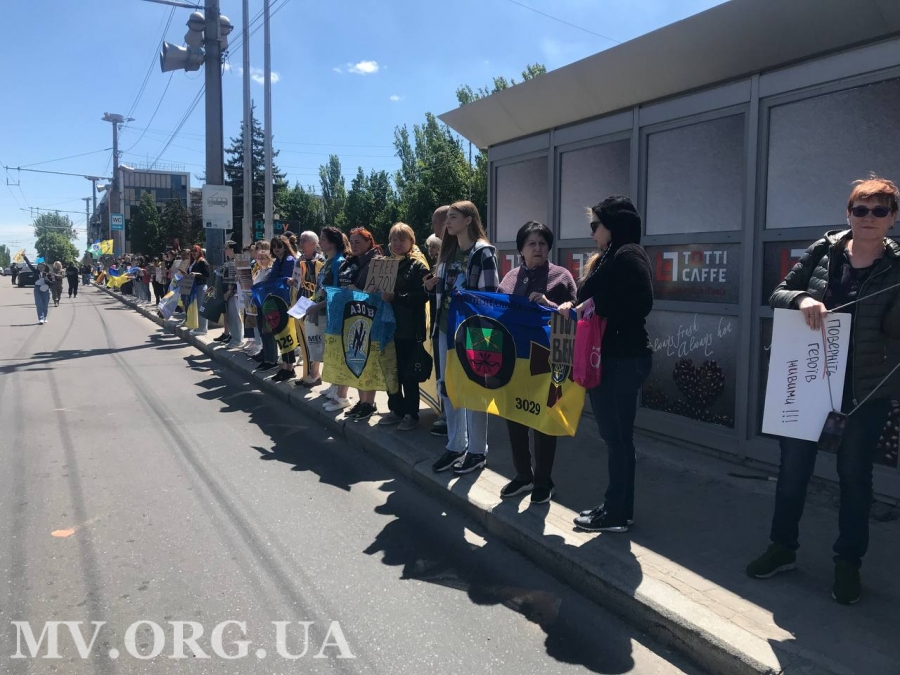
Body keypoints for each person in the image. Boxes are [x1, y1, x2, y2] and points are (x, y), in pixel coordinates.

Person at [746, 176, 900, 605]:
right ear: (848, 213)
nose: (868, 218)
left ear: (892, 217)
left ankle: (848, 564)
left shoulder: (898, 266)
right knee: (793, 471)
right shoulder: (824, 251)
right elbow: (779, 293)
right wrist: (802, 300)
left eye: (879, 210)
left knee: (855, 478)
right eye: (860, 210)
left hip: (864, 391)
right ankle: (782, 548)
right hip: (809, 382)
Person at [559, 196, 653, 533]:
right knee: (616, 438)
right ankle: (617, 507)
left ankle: (616, 513)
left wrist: (596, 304)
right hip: (613, 357)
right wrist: (579, 304)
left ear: (613, 225)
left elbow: (642, 301)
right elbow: (595, 296)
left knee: (618, 439)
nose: (592, 232)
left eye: (595, 225)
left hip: (622, 358)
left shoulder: (629, 254)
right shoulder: (614, 254)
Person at [498, 221, 577, 504]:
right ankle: (523, 475)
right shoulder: (509, 279)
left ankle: (544, 480)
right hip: (516, 358)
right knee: (515, 415)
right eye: (531, 243)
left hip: (548, 361)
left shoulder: (562, 277)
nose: (538, 248)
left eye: (542, 243)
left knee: (544, 419)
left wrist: (551, 306)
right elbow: (497, 313)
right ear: (521, 249)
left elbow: (575, 316)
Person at [426, 200, 499, 475]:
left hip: (474, 332)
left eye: (453, 217)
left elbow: (489, 297)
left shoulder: (483, 252)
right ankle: (456, 445)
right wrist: (430, 286)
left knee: (475, 390)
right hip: (446, 328)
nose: (447, 222)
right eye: (447, 218)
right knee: (449, 388)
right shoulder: (448, 251)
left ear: (469, 219)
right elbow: (441, 291)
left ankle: (477, 451)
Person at [378, 223, 430, 432]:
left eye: (402, 239)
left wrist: (396, 296)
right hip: (386, 328)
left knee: (408, 374)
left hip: (409, 328)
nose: (398, 243)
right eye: (394, 239)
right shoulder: (383, 264)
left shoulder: (418, 265)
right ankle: (396, 410)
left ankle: (411, 414)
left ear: (411, 242)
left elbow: (424, 295)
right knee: (391, 371)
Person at [338, 227, 382, 420]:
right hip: (354, 316)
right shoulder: (354, 261)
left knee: (368, 361)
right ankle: (362, 400)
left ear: (369, 242)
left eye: (358, 242)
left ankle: (369, 403)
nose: (354, 245)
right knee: (356, 358)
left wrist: (356, 290)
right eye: (352, 242)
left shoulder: (378, 262)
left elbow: (376, 293)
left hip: (370, 317)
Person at [312, 227, 353, 411]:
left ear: (332, 242)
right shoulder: (328, 261)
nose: (319, 242)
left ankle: (340, 392)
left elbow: (337, 292)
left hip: (335, 313)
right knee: (329, 350)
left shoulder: (339, 262)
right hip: (326, 311)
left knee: (337, 352)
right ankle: (334, 386)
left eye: (322, 239)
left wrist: (317, 305)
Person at [429, 207, 450, 437]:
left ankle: (450, 417)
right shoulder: (443, 252)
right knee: (442, 373)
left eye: (435, 221)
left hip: (455, 325)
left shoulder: (465, 252)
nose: (432, 226)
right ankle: (446, 413)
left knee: (450, 373)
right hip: (440, 324)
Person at [269, 234, 298, 382]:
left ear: (285, 246)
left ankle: (289, 367)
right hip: (278, 299)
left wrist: (281, 280)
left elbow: (283, 279)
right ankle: (286, 366)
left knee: (287, 334)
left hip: (286, 300)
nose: (276, 249)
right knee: (281, 334)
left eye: (279, 246)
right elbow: (273, 279)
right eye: (274, 246)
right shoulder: (277, 261)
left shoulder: (289, 260)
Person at [218, 241, 244, 348]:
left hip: (233, 293)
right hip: (228, 293)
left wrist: (229, 292)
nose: (225, 250)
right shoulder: (229, 261)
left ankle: (238, 339)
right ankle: (234, 338)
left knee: (234, 316)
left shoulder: (236, 261)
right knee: (230, 316)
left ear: (232, 249)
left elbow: (234, 279)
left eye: (226, 248)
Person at [186, 245, 210, 335]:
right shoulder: (195, 262)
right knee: (197, 308)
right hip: (195, 287)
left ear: (199, 251)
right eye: (192, 251)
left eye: (195, 251)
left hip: (201, 286)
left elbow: (207, 275)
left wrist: (196, 274)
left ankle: (202, 328)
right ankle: (199, 327)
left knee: (201, 308)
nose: (193, 253)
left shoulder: (202, 261)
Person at [23, 256, 51, 324]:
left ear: (45, 267)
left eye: (42, 267)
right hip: (37, 289)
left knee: (45, 305)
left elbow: (52, 283)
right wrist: (25, 257)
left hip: (46, 289)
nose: (40, 268)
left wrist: (47, 280)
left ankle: (45, 317)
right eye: (39, 267)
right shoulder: (36, 272)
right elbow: (29, 265)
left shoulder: (48, 274)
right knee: (39, 304)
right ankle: (41, 318)